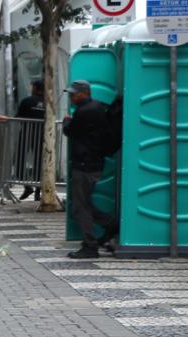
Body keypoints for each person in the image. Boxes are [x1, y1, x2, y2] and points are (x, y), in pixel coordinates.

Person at [62, 80, 118, 259]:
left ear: (83, 93)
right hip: (93, 163)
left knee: (80, 207)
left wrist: (66, 123)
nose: (71, 97)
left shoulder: (85, 111)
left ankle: (90, 245)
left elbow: (71, 131)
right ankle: (111, 225)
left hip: (85, 165)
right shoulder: (97, 107)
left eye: (73, 94)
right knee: (84, 204)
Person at [16, 79, 45, 201]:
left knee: (19, 160)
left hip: (27, 134)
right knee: (39, 163)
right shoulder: (48, 103)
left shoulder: (27, 101)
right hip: (42, 136)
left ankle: (27, 186)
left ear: (36, 88)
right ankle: (38, 191)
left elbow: (18, 117)